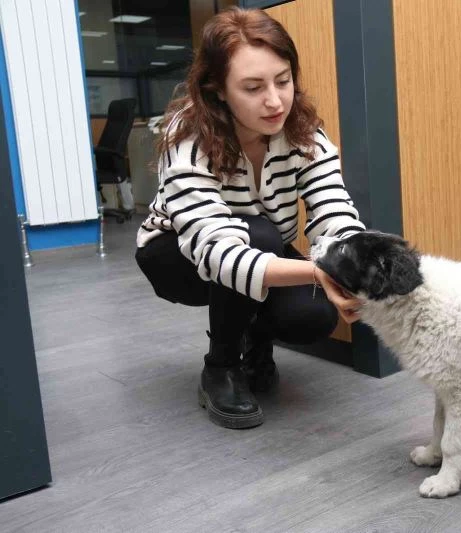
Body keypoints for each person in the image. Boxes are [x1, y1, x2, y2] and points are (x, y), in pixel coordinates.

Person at [135, 7, 365, 430]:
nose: (275, 101)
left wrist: (354, 266)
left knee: (313, 315)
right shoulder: (187, 138)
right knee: (257, 234)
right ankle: (221, 366)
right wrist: (321, 271)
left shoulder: (304, 133)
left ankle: (255, 339)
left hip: (261, 244)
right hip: (178, 255)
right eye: (253, 87)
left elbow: (334, 210)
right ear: (217, 89)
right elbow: (218, 251)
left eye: (283, 80)